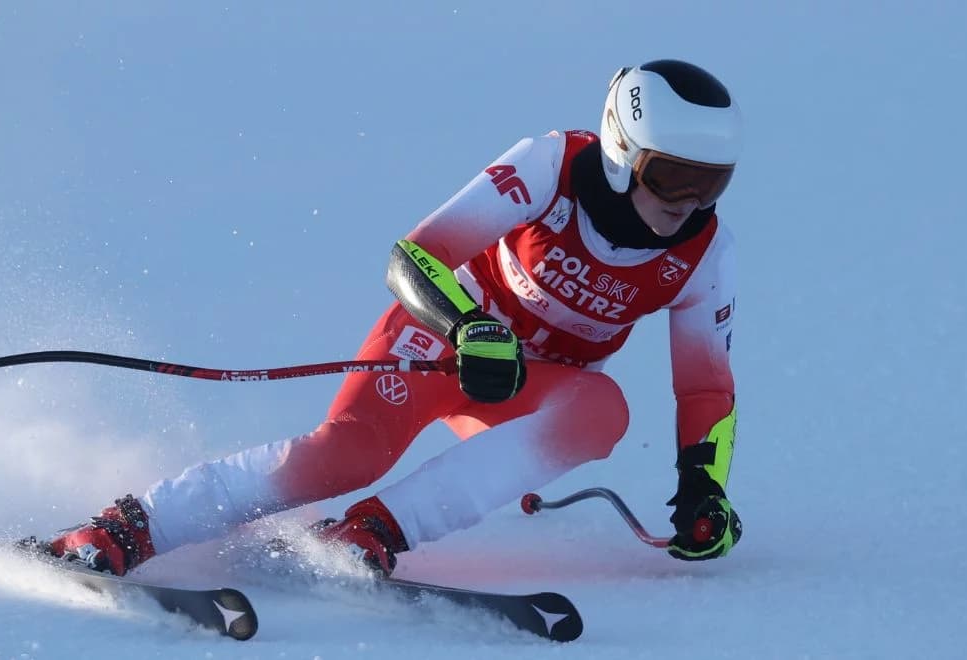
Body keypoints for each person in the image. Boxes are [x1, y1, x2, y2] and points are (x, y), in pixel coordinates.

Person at [47, 58, 744, 577]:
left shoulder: (704, 253)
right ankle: (127, 528)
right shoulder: (548, 166)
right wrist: (470, 326)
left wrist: (703, 487)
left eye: (711, 182)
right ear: (623, 152)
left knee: (602, 410)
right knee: (348, 454)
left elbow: (706, 388)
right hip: (443, 343)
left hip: (521, 389)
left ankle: (372, 533)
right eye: (670, 176)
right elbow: (416, 256)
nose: (687, 202)